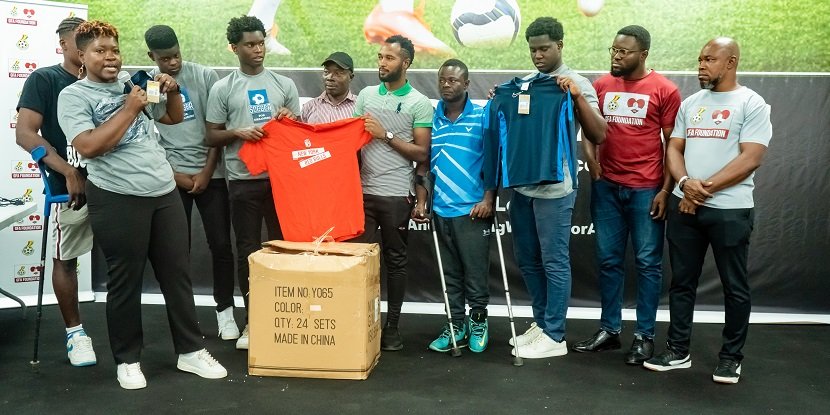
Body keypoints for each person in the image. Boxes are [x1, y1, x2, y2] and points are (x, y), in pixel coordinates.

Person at [57, 20, 226, 390]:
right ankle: (128, 359)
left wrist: (174, 90)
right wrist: (131, 108)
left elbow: (172, 117)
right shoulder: (74, 96)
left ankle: (190, 351)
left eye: (114, 50)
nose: (110, 57)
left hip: (163, 192)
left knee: (176, 274)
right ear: (82, 55)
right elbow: (88, 146)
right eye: (100, 51)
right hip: (117, 196)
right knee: (125, 281)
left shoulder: (134, 85)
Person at [643, 37, 772, 385]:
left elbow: (751, 157)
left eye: (710, 60)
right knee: (682, 282)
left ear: (730, 63)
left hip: (730, 210)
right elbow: (674, 146)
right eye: (700, 59)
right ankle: (677, 350)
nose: (701, 65)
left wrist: (701, 190)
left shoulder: (752, 103)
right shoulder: (691, 103)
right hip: (686, 206)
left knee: (735, 286)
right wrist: (685, 183)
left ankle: (731, 358)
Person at [572, 25, 681, 365]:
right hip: (606, 188)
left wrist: (665, 189)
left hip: (646, 189)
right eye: (614, 50)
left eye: (624, 52)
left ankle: (644, 338)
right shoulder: (601, 85)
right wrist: (591, 159)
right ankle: (609, 331)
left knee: (648, 264)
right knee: (608, 261)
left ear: (643, 54)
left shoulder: (665, 90)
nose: (616, 56)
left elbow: (673, 145)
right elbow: (589, 128)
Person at [502, 17, 607, 359]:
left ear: (560, 45)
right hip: (522, 188)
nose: (537, 55)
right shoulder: (528, 84)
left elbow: (599, 133)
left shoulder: (575, 83)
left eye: (544, 48)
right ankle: (542, 323)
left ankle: (556, 335)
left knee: (554, 261)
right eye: (532, 49)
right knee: (528, 260)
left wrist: (577, 98)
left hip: (556, 189)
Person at [205, 15, 300, 350]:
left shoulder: (284, 84)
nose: (258, 49)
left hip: (280, 182)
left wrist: (289, 122)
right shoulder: (223, 88)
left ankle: (285, 320)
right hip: (243, 182)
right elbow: (211, 136)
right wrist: (237, 132)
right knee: (248, 252)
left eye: (261, 43)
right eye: (250, 44)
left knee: (283, 249)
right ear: (234, 48)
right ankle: (252, 323)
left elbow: (298, 136)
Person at [144, 25, 239, 342]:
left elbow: (217, 129)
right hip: (171, 178)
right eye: (164, 58)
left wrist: (206, 172)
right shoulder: (150, 84)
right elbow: (152, 134)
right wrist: (177, 176)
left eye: (176, 55)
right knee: (176, 251)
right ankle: (184, 319)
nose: (172, 63)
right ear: (151, 57)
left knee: (222, 246)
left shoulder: (204, 76)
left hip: (211, 174)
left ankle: (225, 311)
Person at [15, 17, 97, 368]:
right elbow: (25, 133)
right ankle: (75, 333)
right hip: (72, 185)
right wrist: (67, 171)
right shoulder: (45, 79)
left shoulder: (109, 80)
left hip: (117, 182)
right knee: (67, 256)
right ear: (63, 46)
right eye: (76, 43)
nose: (83, 50)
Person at [352, 34, 433, 351]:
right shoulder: (366, 95)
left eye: (389, 58)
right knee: (362, 262)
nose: (381, 63)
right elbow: (351, 141)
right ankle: (363, 324)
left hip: (397, 195)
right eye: (380, 57)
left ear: (406, 63)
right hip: (362, 193)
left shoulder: (418, 102)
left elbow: (421, 154)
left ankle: (393, 328)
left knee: (395, 262)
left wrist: (384, 135)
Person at [415, 59, 493, 353]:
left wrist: (488, 199)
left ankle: (478, 322)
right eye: (443, 80)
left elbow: (492, 162)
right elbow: (423, 165)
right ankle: (455, 325)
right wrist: (423, 201)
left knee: (474, 273)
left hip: (472, 210)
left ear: (467, 84)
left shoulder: (481, 116)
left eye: (453, 80)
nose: (447, 85)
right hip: (441, 209)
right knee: (450, 275)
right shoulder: (431, 117)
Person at [300, 51, 357, 124]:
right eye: (326, 72)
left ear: (351, 77)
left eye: (338, 73)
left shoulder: (360, 107)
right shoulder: (309, 107)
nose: (329, 77)